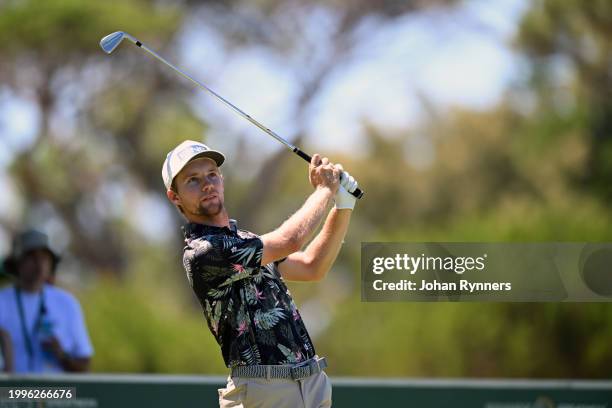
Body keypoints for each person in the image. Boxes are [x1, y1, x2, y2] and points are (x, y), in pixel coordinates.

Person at [163, 140, 358, 407]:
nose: (207, 184)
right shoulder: (203, 253)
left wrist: (343, 206)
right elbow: (291, 240)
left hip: (310, 383)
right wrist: (325, 190)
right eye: (192, 180)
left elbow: (312, 266)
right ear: (175, 196)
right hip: (263, 390)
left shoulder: (246, 240)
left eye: (211, 175)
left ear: (221, 179)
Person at [0, 230, 94, 373]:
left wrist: (62, 356)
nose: (39, 264)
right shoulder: (3, 300)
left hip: (57, 393)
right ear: (17, 262)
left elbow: (84, 365)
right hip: (11, 393)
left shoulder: (66, 303)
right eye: (31, 257)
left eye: (44, 258)